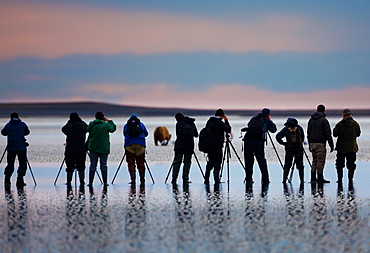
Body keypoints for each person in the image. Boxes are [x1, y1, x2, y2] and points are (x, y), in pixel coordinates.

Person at [243, 108, 277, 186]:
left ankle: (249, 179)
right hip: (258, 142)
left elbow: (249, 126)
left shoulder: (253, 119)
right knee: (261, 161)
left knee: (248, 161)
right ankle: (265, 180)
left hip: (247, 141)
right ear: (268, 114)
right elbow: (273, 129)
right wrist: (270, 121)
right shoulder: (266, 120)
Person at [87, 111, 116, 188]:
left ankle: (90, 183)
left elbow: (87, 129)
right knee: (103, 165)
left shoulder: (92, 124)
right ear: (103, 117)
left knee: (92, 165)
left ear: (95, 117)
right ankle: (105, 183)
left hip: (93, 148)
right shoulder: (106, 125)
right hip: (104, 148)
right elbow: (113, 128)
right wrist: (109, 120)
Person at [1, 112, 30, 188]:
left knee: (10, 164)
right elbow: (27, 132)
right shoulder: (22, 124)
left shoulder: (8, 125)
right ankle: (20, 180)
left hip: (11, 147)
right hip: (21, 147)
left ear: (10, 118)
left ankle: (7, 179)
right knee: (22, 164)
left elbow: (3, 133)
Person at [333, 109, 361, 184]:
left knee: (339, 164)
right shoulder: (355, 124)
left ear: (344, 115)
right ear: (350, 115)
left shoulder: (340, 124)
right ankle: (350, 179)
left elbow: (335, 134)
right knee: (351, 164)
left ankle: (339, 179)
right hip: (352, 147)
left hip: (341, 148)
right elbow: (358, 134)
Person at [307, 104, 334, 183]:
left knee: (314, 161)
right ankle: (320, 177)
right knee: (320, 161)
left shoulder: (311, 120)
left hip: (312, 143)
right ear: (324, 110)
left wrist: (309, 144)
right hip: (320, 143)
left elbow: (308, 132)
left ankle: (312, 178)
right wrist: (331, 144)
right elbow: (328, 133)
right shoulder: (323, 120)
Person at [204, 109, 231, 184]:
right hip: (218, 146)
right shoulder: (220, 123)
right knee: (217, 163)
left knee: (210, 162)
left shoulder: (209, 122)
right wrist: (226, 121)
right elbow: (228, 129)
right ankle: (216, 180)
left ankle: (206, 179)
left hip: (209, 146)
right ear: (222, 116)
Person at [61, 112, 88, 188]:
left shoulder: (68, 126)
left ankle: (69, 182)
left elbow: (63, 129)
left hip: (70, 146)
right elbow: (88, 128)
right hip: (81, 146)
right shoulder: (83, 126)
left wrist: (69, 122)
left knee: (70, 165)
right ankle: (82, 182)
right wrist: (81, 121)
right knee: (81, 164)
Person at [171, 112, 198, 184]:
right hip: (189, 145)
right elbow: (196, 135)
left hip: (179, 146)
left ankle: (174, 179)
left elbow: (178, 134)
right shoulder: (191, 122)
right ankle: (185, 179)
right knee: (187, 162)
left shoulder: (179, 123)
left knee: (177, 162)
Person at [276, 118, 305, 185]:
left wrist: (283, 143)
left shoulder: (286, 128)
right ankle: (302, 180)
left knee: (287, 164)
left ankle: (284, 180)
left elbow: (278, 136)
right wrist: (300, 143)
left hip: (289, 148)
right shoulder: (299, 128)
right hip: (299, 148)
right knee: (300, 164)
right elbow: (302, 138)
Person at [123, 113, 149, 187]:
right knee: (140, 163)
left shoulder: (126, 125)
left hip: (129, 145)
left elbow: (124, 134)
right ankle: (142, 179)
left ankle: (133, 180)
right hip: (140, 144)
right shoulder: (141, 124)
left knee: (131, 162)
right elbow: (146, 134)